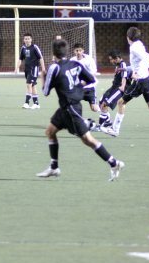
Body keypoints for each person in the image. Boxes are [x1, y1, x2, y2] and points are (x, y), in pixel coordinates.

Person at [36, 38, 124, 181]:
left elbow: (45, 92)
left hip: (71, 109)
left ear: (54, 53)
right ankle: (54, 167)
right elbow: (93, 80)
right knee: (50, 131)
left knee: (88, 140)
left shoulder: (54, 67)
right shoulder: (75, 63)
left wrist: (42, 76)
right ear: (67, 51)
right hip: (67, 107)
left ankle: (114, 163)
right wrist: (78, 87)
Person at [97, 50, 131, 130]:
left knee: (104, 104)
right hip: (114, 87)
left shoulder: (123, 64)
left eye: (111, 59)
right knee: (101, 102)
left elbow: (124, 77)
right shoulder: (118, 65)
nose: (110, 61)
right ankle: (107, 121)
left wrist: (122, 86)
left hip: (119, 89)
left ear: (116, 58)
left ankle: (101, 125)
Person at [15, 33, 46, 109]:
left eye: (28, 38)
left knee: (29, 85)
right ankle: (36, 103)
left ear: (31, 39)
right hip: (27, 69)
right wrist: (16, 68)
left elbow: (40, 58)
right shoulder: (23, 48)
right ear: (23, 40)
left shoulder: (35, 47)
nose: (27, 40)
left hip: (34, 69)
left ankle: (27, 103)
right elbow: (20, 59)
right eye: (25, 38)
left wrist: (43, 68)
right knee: (32, 85)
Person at [70, 43, 100, 113]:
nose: (78, 52)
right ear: (74, 51)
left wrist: (86, 81)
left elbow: (93, 73)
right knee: (71, 105)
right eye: (76, 51)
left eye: (80, 50)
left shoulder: (89, 59)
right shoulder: (72, 60)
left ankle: (104, 113)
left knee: (94, 108)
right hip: (78, 88)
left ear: (83, 51)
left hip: (90, 87)